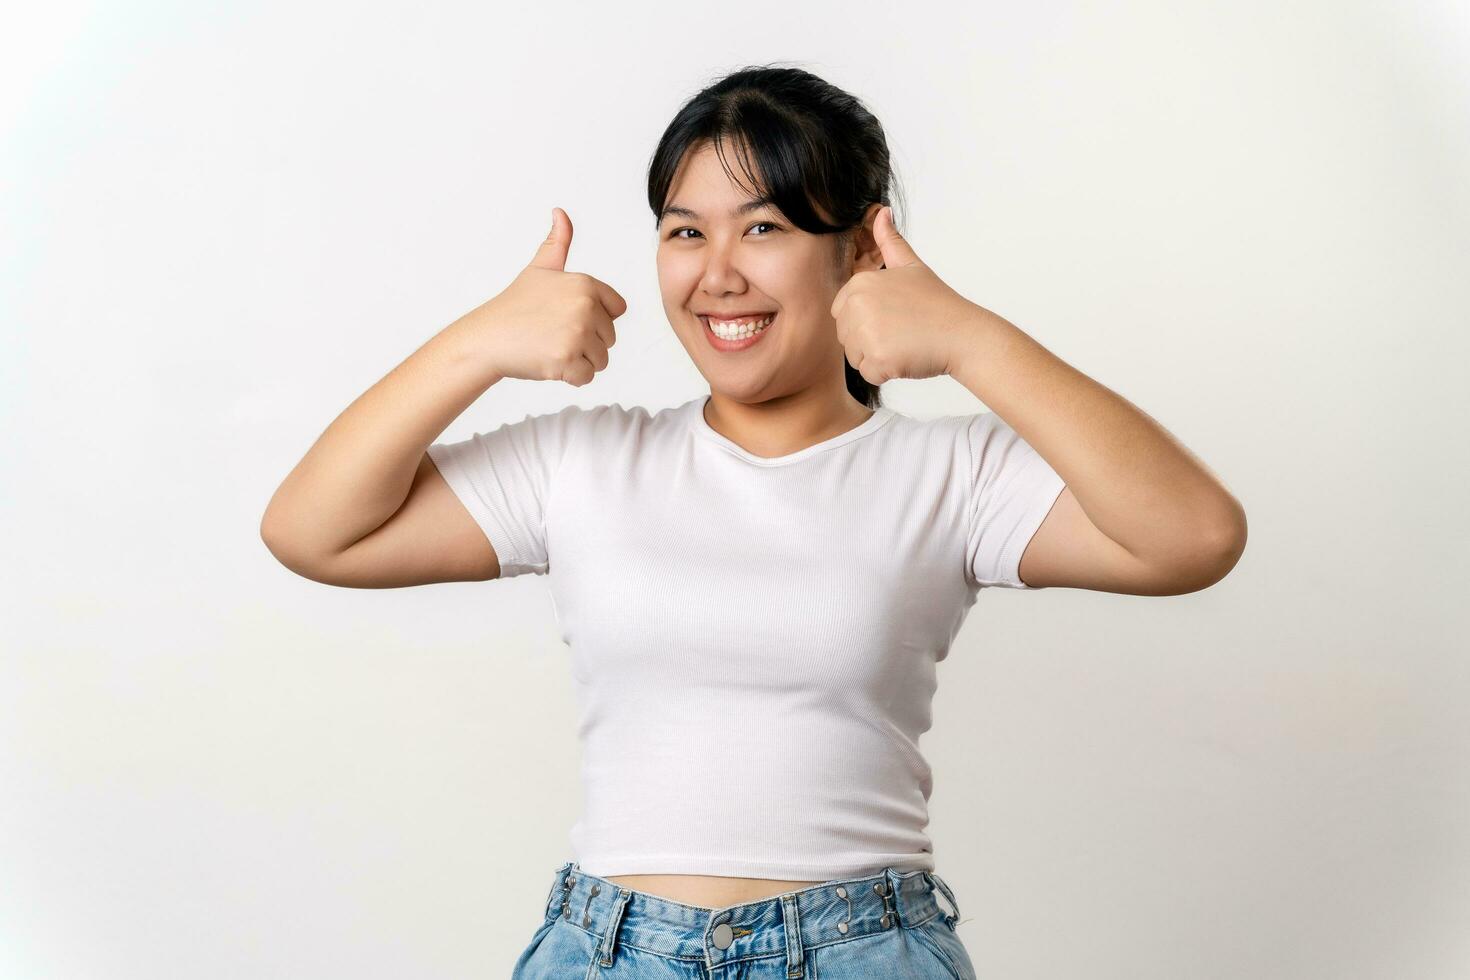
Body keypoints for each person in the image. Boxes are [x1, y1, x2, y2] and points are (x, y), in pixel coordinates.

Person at [261, 64, 1245, 980]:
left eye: (764, 227)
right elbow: (313, 530)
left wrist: (969, 340)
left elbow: (1193, 534)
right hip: (609, 950)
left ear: (860, 247)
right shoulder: (583, 461)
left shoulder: (950, 472)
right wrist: (474, 345)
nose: (718, 274)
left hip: (864, 946)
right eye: (685, 230)